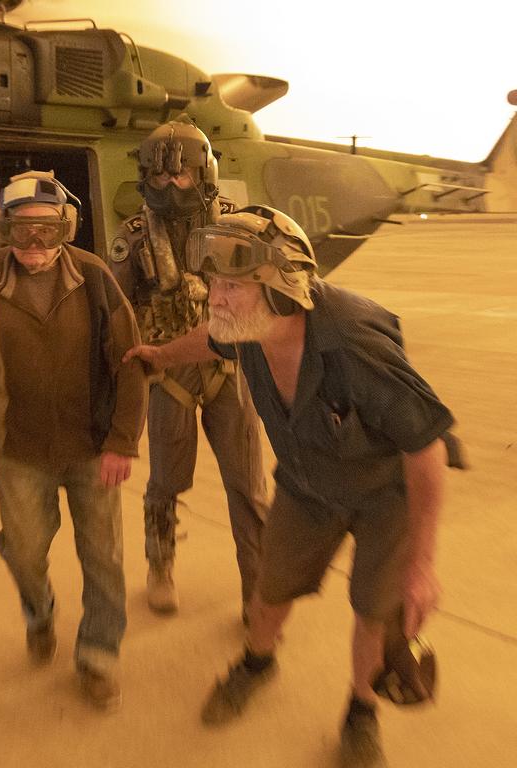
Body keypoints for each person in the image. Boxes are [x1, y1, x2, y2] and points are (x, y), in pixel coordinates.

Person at [123, 205, 454, 767]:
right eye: (214, 284)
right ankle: (257, 663)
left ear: (281, 290)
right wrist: (159, 355)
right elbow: (210, 338)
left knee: (373, 610)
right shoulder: (246, 328)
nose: (215, 297)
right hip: (306, 485)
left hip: (384, 495)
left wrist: (422, 563)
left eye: (231, 286)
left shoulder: (353, 342)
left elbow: (426, 446)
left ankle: (361, 708)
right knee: (270, 589)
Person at [0, 170, 147, 711]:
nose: (33, 245)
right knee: (25, 550)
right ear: (2, 229)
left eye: (46, 231)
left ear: (66, 228)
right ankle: (39, 610)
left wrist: (122, 440)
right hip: (16, 449)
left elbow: (131, 364)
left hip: (92, 447)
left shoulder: (95, 277)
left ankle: (99, 653)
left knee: (103, 556)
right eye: (20, 231)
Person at [108, 118, 268, 616]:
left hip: (229, 369)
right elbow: (116, 313)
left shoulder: (236, 229)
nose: (170, 185)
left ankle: (258, 588)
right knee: (165, 482)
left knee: (248, 484)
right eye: (159, 177)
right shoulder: (133, 238)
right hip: (166, 373)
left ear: (204, 174)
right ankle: (160, 563)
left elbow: (267, 298)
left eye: (180, 175)